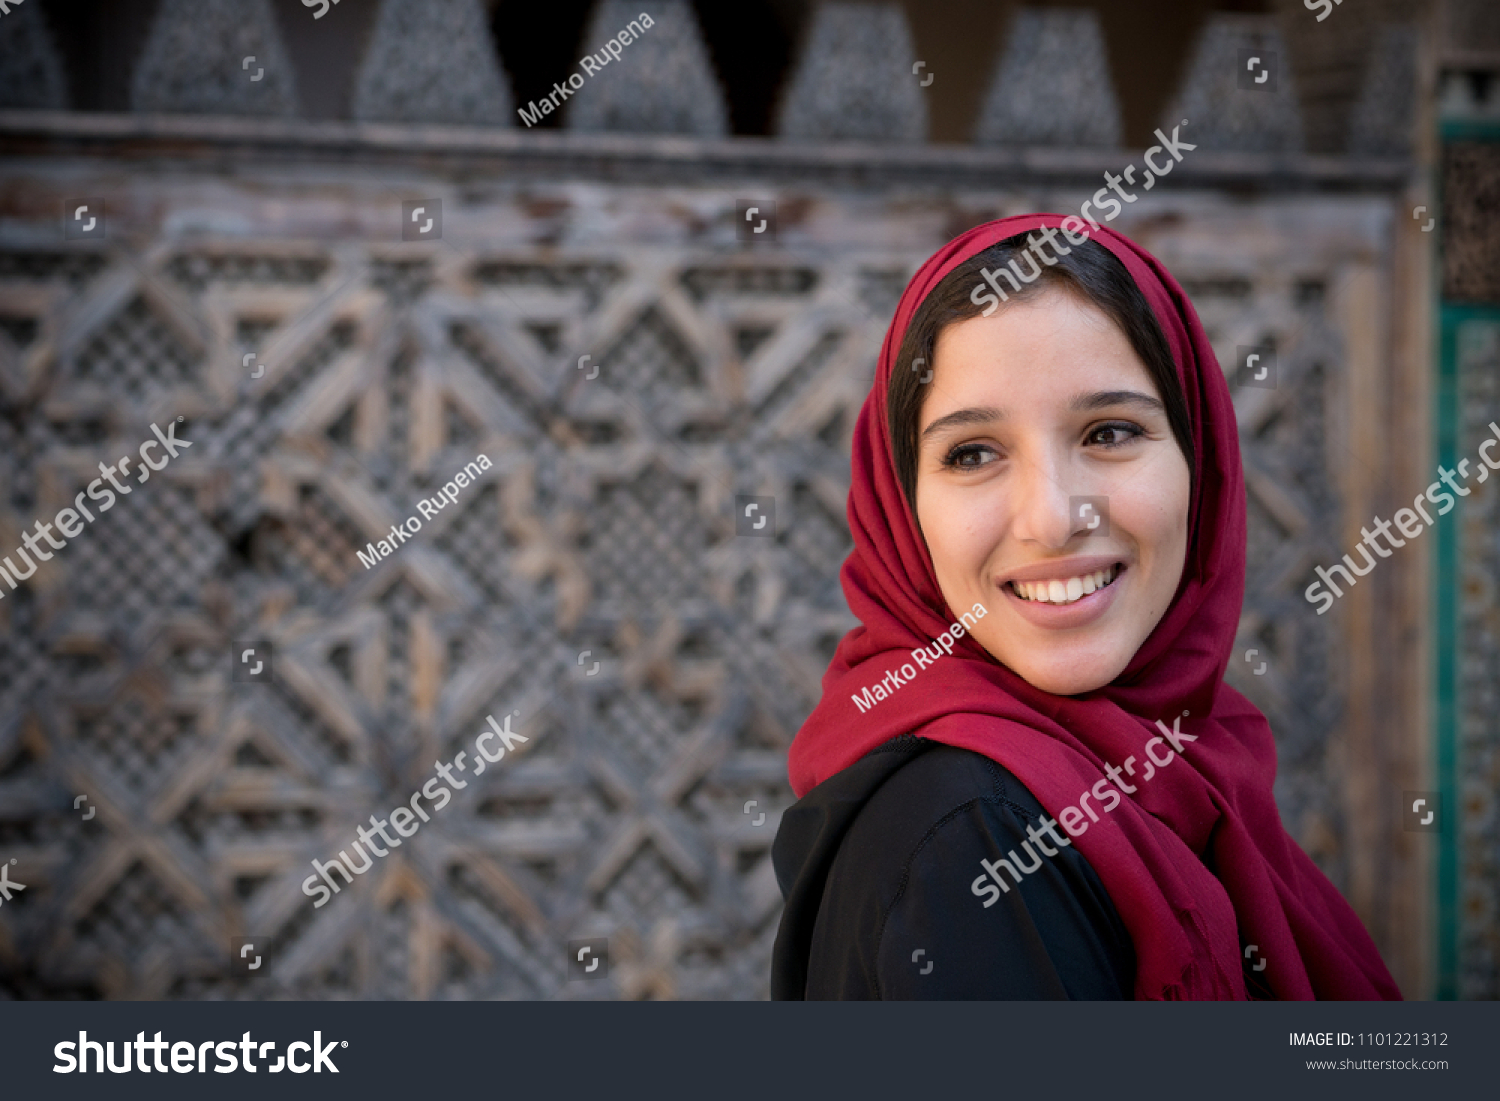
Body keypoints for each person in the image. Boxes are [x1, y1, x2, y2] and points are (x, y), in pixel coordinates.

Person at [769, 215, 1402, 1000]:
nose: (1052, 518)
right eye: (972, 453)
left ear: (1200, 464)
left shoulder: (1195, 763)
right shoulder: (971, 837)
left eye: (1109, 431)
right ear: (901, 504)